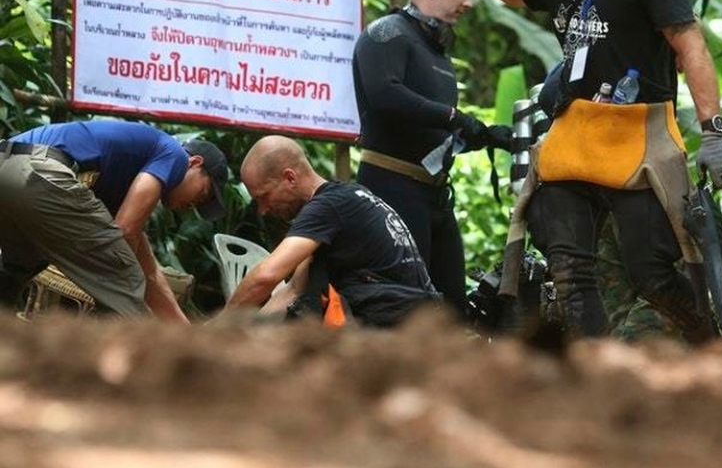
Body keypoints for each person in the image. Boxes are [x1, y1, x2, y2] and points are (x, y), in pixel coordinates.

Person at [457, 0, 722, 340]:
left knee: (652, 278)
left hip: (637, 137)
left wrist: (713, 132)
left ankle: (714, 344)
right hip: (576, 133)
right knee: (568, 272)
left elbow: (690, 44)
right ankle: (594, 373)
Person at [351, 0, 512, 314]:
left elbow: (432, 125)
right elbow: (385, 96)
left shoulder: (434, 49)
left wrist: (484, 134)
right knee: (407, 301)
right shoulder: (388, 33)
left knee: (453, 302)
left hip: (434, 192)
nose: (468, 3)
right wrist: (454, 116)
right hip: (392, 185)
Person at [0, 119, 228, 323]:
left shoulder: (121, 172)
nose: (195, 204)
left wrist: (181, 327)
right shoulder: (174, 154)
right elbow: (126, 231)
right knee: (126, 282)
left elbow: (143, 260)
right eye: (203, 193)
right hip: (38, 172)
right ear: (195, 163)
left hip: (9, 164)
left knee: (17, 269)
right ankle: (141, 364)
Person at [225, 135, 440, 327]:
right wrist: (248, 334)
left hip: (399, 329)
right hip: (416, 318)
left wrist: (218, 326)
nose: (262, 210)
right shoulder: (346, 198)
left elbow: (266, 276)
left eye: (264, 196)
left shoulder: (327, 207)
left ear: (290, 178)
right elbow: (293, 290)